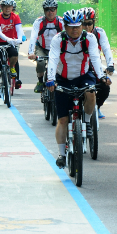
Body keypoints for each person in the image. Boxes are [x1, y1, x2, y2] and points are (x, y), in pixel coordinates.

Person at [45, 9, 111, 169]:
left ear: (82, 26)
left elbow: (95, 58)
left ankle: (87, 123)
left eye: (78, 26)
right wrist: (50, 79)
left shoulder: (89, 38)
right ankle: (61, 154)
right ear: (65, 26)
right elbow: (53, 59)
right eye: (71, 26)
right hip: (62, 78)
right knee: (62, 120)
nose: (75, 29)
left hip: (83, 75)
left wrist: (102, 76)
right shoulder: (58, 39)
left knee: (91, 92)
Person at [82, 7, 114, 119]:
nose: (86, 27)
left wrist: (110, 65)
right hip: (79, 67)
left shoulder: (99, 33)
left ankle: (97, 106)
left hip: (95, 66)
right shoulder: (76, 34)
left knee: (105, 87)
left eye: (89, 24)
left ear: (94, 22)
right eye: (83, 24)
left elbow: (106, 49)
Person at [0, 0, 26, 98]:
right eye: (5, 6)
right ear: (1, 7)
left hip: (10, 41)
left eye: (9, 7)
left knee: (14, 55)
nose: (7, 9)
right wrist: (8, 39)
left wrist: (19, 38)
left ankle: (11, 68)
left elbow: (19, 29)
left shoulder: (15, 17)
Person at [27, 0, 64, 93]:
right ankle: (40, 82)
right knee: (40, 63)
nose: (50, 12)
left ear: (56, 10)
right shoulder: (39, 22)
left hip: (57, 49)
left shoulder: (61, 21)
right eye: (47, 9)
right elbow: (33, 37)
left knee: (62, 64)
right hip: (42, 48)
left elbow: (67, 36)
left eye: (52, 9)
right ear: (44, 11)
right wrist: (31, 52)